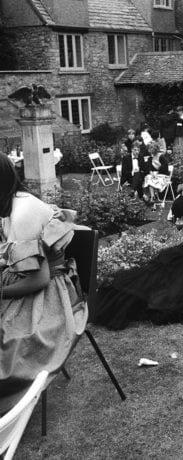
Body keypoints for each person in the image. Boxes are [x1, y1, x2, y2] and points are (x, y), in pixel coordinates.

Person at [0, 153, 88, 397]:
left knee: (8, 340)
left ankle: (13, 405)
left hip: (51, 292)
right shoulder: (10, 205)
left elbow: (39, 279)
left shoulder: (22, 213)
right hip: (29, 280)